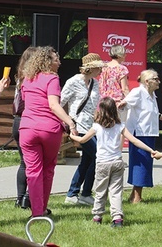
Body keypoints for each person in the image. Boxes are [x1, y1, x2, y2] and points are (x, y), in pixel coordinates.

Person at [70, 97, 156, 228]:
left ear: (101, 110)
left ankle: (98, 216)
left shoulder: (96, 127)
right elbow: (134, 140)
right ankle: (117, 218)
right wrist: (151, 150)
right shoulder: (120, 126)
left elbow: (82, 141)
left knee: (101, 191)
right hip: (117, 162)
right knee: (116, 192)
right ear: (114, 111)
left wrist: (71, 135)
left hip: (102, 164)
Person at [19, 46, 77, 217]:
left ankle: (36, 213)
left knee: (32, 172)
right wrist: (70, 122)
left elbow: (25, 101)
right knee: (47, 169)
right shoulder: (52, 78)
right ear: (47, 62)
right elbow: (53, 105)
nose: (59, 62)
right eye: (55, 59)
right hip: (48, 129)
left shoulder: (27, 79)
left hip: (27, 128)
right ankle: (42, 209)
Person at [118, 69, 162, 203]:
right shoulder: (138, 92)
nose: (158, 81)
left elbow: (149, 112)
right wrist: (121, 105)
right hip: (140, 134)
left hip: (150, 132)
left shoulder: (152, 95)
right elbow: (125, 103)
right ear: (147, 82)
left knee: (145, 164)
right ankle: (136, 197)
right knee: (140, 164)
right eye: (155, 79)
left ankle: (134, 195)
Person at [61, 53, 104, 205]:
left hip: (92, 127)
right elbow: (59, 102)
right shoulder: (73, 82)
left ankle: (74, 194)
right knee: (98, 156)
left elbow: (94, 106)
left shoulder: (95, 83)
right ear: (90, 68)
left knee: (87, 160)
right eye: (99, 67)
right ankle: (83, 193)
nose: (101, 70)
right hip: (78, 127)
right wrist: (68, 122)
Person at [13, 46, 37, 209]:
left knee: (24, 163)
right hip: (29, 121)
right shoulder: (35, 78)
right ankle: (28, 198)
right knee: (35, 163)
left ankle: (19, 198)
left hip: (17, 121)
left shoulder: (19, 77)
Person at [99, 44, 129, 148]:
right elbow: (124, 88)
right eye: (124, 53)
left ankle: (106, 149)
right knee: (120, 128)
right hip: (117, 102)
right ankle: (117, 153)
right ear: (120, 54)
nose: (125, 55)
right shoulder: (122, 69)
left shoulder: (104, 67)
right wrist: (130, 99)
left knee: (105, 127)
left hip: (104, 101)